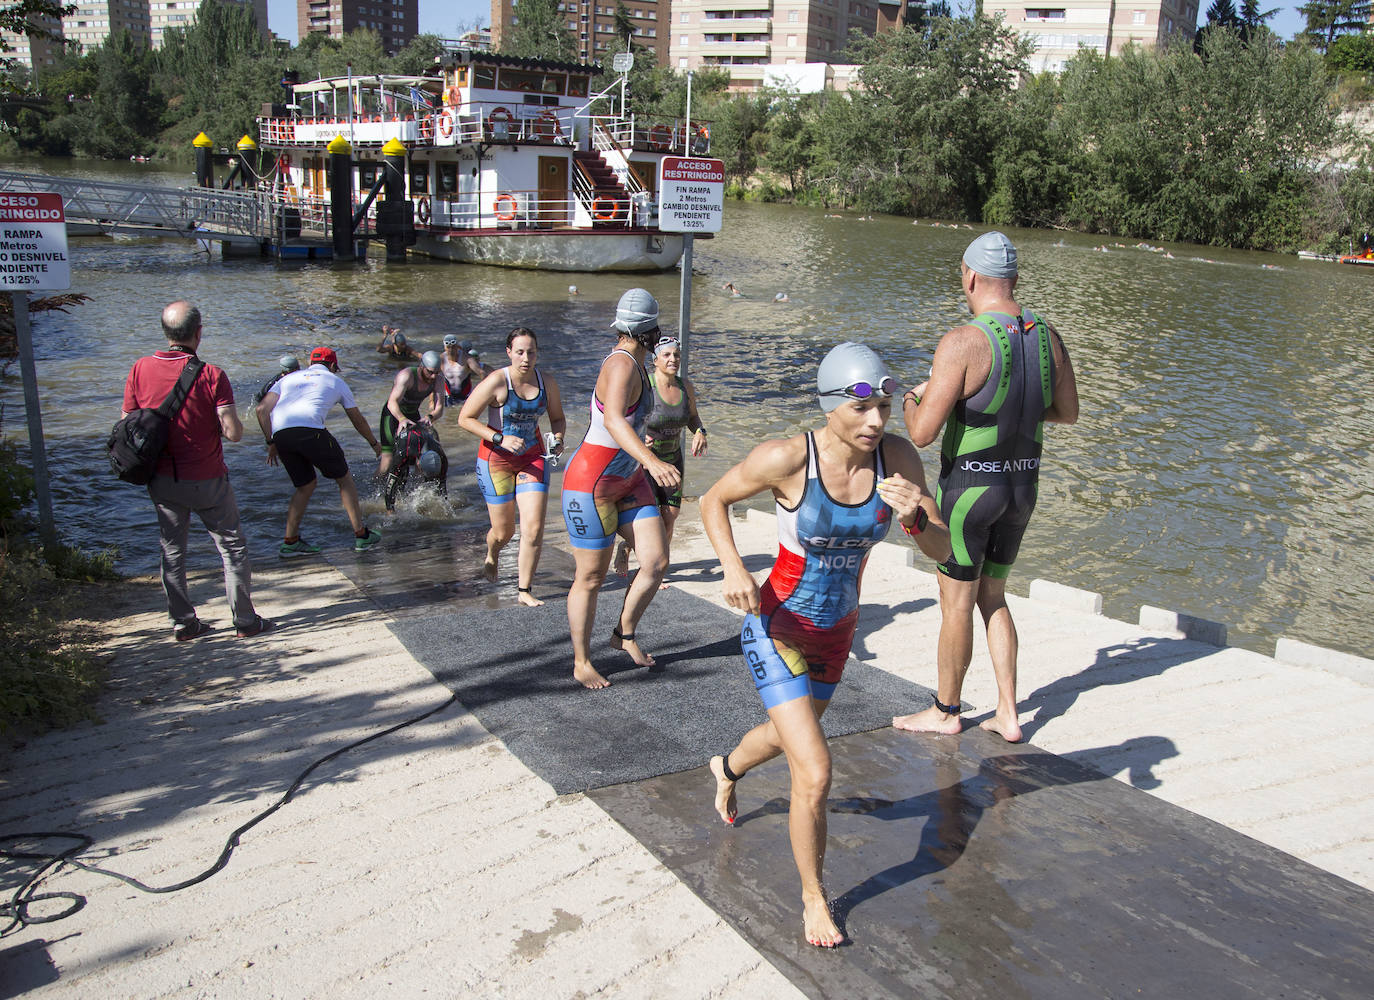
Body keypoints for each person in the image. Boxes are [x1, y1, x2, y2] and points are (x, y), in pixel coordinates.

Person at [699, 342, 950, 948]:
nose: (876, 422)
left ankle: (725, 766)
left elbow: (943, 552)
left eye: (884, 408)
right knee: (814, 770)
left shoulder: (896, 460)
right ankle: (815, 900)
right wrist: (734, 567)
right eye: (863, 409)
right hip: (776, 625)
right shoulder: (788, 458)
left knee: (786, 736)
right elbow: (713, 500)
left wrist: (917, 515)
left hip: (838, 635)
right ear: (830, 404)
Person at [893, 231, 1079, 744]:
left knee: (956, 601)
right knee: (994, 594)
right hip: (1023, 491)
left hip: (972, 493)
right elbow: (1068, 412)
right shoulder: (1048, 337)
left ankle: (946, 710)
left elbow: (922, 432)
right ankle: (1009, 713)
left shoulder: (963, 342)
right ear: (1015, 279)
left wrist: (913, 394)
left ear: (970, 276)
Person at [121, 301, 271, 640]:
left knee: (172, 550)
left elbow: (127, 423)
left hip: (161, 479)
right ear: (198, 333)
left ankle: (184, 623)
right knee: (232, 548)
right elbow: (233, 433)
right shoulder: (212, 375)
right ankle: (245, 621)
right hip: (207, 478)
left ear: (166, 333)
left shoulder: (139, 369)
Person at [560, 289, 680, 689]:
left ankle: (623, 634)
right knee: (590, 578)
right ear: (648, 330)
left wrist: (640, 451)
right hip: (590, 485)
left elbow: (621, 423)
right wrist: (653, 461)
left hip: (627, 478)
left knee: (656, 560)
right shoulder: (623, 364)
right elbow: (612, 419)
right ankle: (581, 661)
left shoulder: (639, 364)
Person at [457, 327, 567, 606]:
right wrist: (500, 438)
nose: (525, 358)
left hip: (533, 458)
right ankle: (492, 552)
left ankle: (524, 591)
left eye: (531, 352)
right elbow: (465, 418)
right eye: (519, 352)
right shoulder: (497, 381)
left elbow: (557, 419)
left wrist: (559, 438)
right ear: (509, 353)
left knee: (532, 528)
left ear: (537, 353)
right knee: (504, 532)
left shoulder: (547, 383)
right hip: (496, 461)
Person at [255, 346, 384, 556]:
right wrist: (374, 444)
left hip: (281, 434)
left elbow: (261, 410)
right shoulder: (336, 381)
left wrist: (271, 442)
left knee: (305, 485)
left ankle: (290, 542)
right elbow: (357, 419)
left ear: (310, 363)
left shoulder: (287, 379)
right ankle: (362, 536)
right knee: (344, 479)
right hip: (311, 431)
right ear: (333, 365)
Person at [612, 336, 706, 582]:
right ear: (655, 360)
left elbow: (694, 417)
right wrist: (639, 439)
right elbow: (622, 421)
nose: (673, 359)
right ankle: (642, 563)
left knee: (670, 515)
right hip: (646, 464)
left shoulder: (686, 387)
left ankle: (657, 566)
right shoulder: (646, 386)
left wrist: (700, 432)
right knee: (650, 517)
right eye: (667, 355)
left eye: (676, 355)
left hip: (673, 461)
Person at [376, 349, 445, 481]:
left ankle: (415, 492)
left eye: (437, 372)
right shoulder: (407, 375)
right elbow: (392, 402)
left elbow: (439, 408)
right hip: (392, 415)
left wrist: (430, 417)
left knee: (421, 457)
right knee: (388, 460)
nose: (433, 376)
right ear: (421, 366)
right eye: (430, 372)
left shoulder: (439, 380)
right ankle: (374, 490)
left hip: (413, 415)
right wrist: (401, 419)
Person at [382, 420, 449, 512]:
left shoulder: (442, 460)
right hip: (406, 439)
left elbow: (442, 490)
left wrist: (442, 509)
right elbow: (390, 485)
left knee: (435, 482)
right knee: (400, 477)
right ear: (418, 464)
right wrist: (390, 510)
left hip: (427, 435)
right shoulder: (403, 452)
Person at [440, 333, 486, 406]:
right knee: (449, 417)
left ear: (457, 346)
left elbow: (482, 373)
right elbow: (434, 379)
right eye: (448, 347)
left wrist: (482, 394)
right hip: (449, 397)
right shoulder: (441, 359)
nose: (451, 350)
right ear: (445, 348)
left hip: (466, 397)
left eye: (453, 347)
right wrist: (432, 402)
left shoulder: (466, 358)